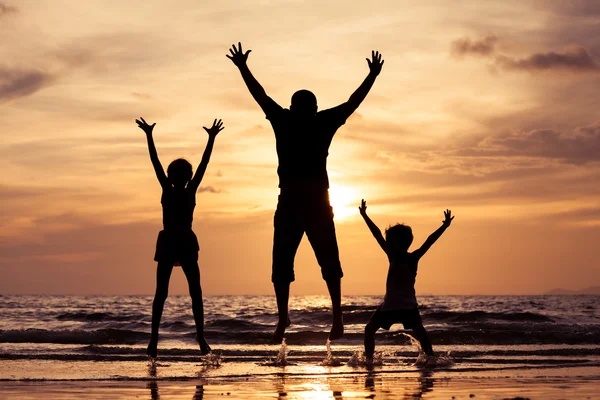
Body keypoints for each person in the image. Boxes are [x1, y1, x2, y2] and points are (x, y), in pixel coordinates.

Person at [227, 42, 384, 342]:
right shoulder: (291, 119)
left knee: (327, 261)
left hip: (314, 202)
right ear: (297, 107)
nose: (302, 111)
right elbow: (261, 96)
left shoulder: (313, 120)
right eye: (301, 107)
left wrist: (372, 77)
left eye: (305, 107)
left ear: (309, 109)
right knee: (283, 263)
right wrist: (243, 68)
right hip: (293, 201)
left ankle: (336, 317)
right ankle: (284, 317)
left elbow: (352, 102)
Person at [136, 117, 224, 358]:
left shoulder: (190, 189)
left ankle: (200, 338)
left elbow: (204, 164)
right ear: (171, 175)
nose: (177, 177)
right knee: (162, 293)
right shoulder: (168, 188)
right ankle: (154, 339)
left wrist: (211, 139)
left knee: (194, 291)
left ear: (185, 176)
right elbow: (154, 161)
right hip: (170, 242)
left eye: (180, 173)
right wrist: (149, 136)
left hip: (184, 241)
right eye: (175, 173)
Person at [358, 199, 454, 365]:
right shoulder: (405, 256)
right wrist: (365, 216)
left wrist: (444, 227)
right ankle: (429, 359)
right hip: (398, 305)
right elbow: (378, 235)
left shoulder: (405, 257)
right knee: (417, 332)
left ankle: (369, 361)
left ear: (398, 242)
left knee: (416, 332)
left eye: (390, 240)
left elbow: (430, 240)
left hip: (401, 306)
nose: (387, 242)